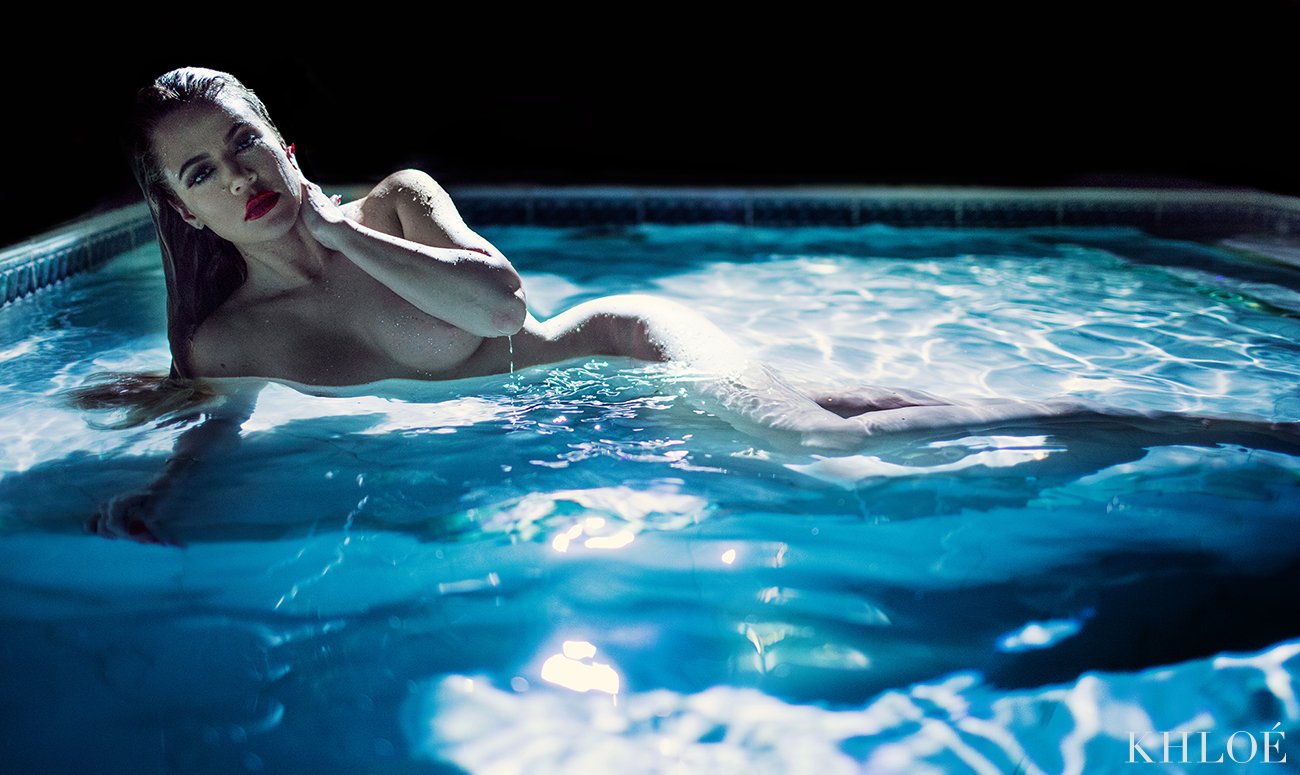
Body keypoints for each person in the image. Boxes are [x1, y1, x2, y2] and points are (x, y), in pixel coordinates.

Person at [73, 66, 1300, 544]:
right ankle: (1152, 423)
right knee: (879, 414)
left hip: (620, 350)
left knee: (822, 454)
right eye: (202, 174)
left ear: (280, 136)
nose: (237, 176)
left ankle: (1183, 439)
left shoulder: (394, 199)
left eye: (244, 143)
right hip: (583, 423)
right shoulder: (228, 337)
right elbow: (218, 434)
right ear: (184, 211)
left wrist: (332, 227)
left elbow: (499, 309)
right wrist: (158, 504)